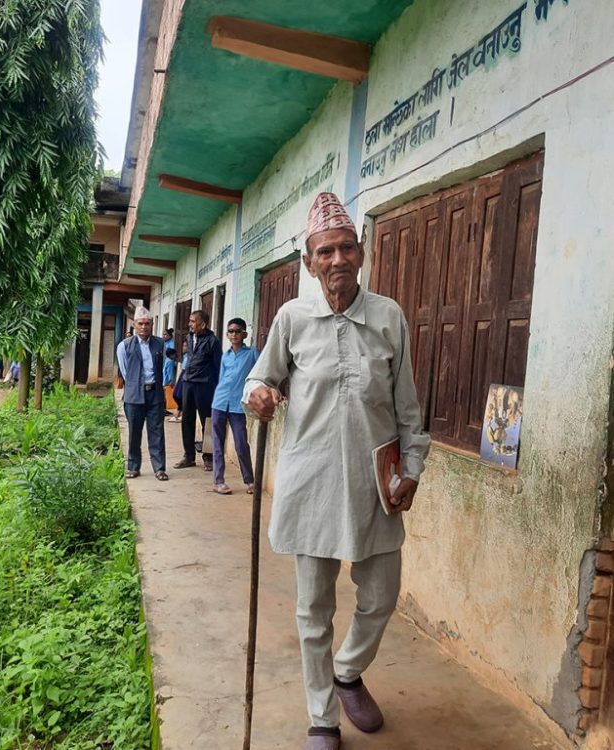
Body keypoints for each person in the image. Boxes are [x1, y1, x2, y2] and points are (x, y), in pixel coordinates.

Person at [244, 192, 430, 750]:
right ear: (308, 261)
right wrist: (258, 395)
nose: (337, 259)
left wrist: (413, 468)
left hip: (375, 485)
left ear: (362, 252)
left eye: (347, 248)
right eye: (325, 251)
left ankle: (347, 671)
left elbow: (408, 409)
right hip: (312, 483)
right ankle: (322, 716)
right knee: (313, 609)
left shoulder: (388, 316)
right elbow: (262, 377)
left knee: (380, 595)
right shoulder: (292, 318)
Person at [116, 306, 169, 481]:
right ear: (134, 325)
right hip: (134, 395)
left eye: (147, 323)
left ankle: (159, 468)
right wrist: (133, 384)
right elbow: (124, 370)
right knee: (134, 432)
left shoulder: (159, 344)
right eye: (140, 323)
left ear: (151, 324)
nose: (144, 327)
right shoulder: (124, 346)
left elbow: (162, 367)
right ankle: (133, 466)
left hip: (155, 394)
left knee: (157, 431)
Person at [210, 317, 259, 495]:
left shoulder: (252, 353)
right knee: (217, 443)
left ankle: (249, 480)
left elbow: (260, 374)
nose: (234, 334)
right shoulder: (226, 356)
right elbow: (222, 378)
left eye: (237, 331)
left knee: (241, 444)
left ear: (244, 333)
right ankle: (218, 481)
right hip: (220, 402)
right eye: (230, 331)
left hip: (238, 406)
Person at [174, 310, 221, 471]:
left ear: (203, 324)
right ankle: (188, 456)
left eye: (193, 321)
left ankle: (208, 457)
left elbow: (217, 367)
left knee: (206, 421)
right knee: (187, 420)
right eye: (190, 321)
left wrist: (215, 388)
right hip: (188, 383)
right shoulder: (189, 337)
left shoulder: (213, 341)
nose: (189, 324)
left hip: (205, 385)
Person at [168, 339, 189, 424]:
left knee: (180, 395)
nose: (183, 348)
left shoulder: (190, 356)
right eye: (183, 346)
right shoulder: (185, 356)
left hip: (186, 375)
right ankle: (178, 413)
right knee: (176, 394)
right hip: (183, 374)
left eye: (186, 346)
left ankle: (182, 415)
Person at [163, 348, 178, 414]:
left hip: (164, 380)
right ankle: (164, 410)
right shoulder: (170, 362)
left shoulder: (167, 360)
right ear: (171, 355)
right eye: (174, 354)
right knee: (166, 396)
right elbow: (170, 373)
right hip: (167, 382)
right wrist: (171, 382)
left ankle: (164, 409)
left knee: (164, 396)